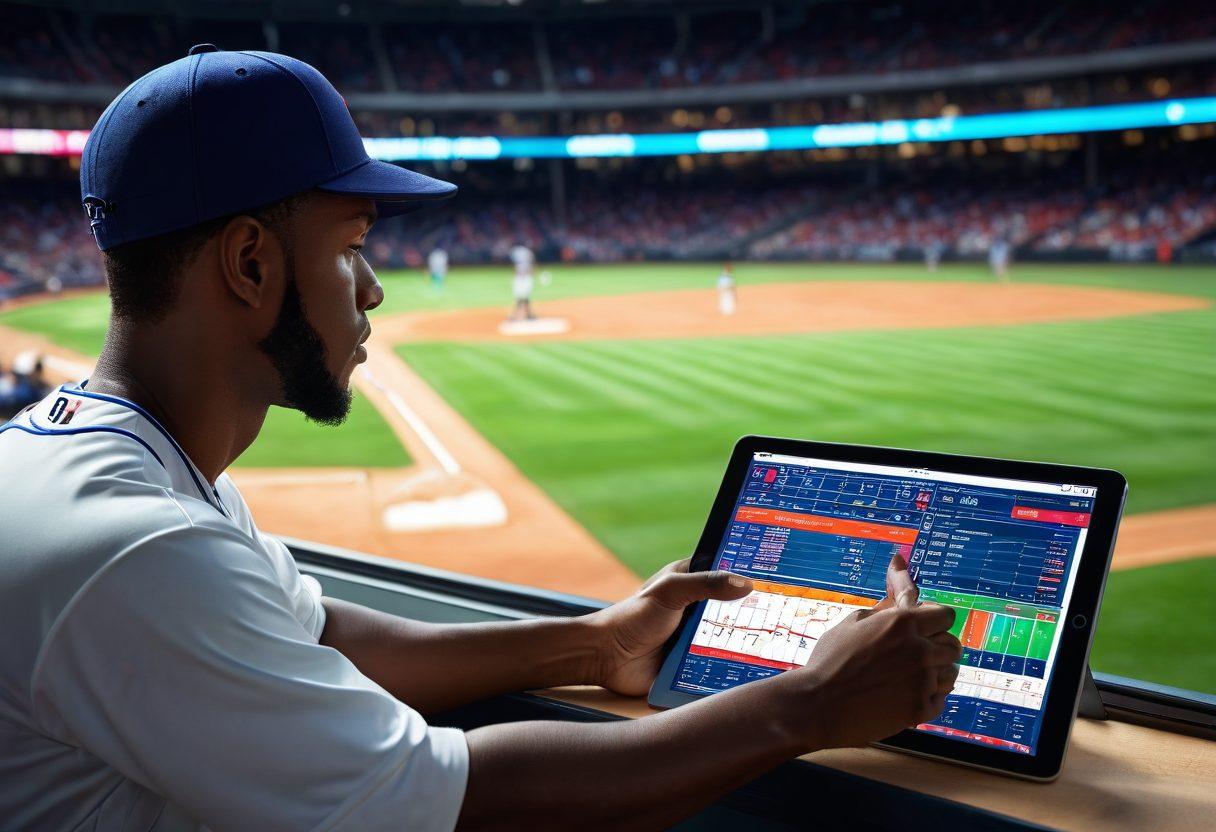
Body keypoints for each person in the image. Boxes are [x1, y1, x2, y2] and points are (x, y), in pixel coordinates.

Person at [0, 47, 961, 831]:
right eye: (349, 247)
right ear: (250, 263)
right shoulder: (139, 548)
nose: (372, 287)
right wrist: (809, 705)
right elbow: (457, 806)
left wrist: (596, 643)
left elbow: (322, 639)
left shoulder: (122, 471)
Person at [509, 242, 536, 320]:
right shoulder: (529, 252)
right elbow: (533, 264)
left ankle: (515, 315)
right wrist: (533, 273)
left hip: (519, 276)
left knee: (519, 297)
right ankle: (528, 314)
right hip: (527, 276)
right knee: (526, 297)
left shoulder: (514, 251)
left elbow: (513, 264)